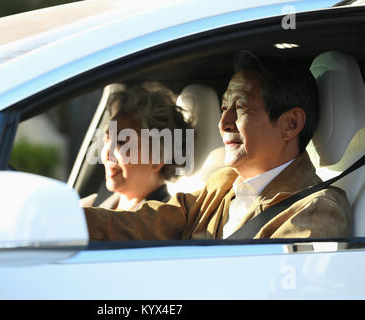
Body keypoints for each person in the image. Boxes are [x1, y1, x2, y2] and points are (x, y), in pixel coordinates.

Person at [83, 51, 352, 240]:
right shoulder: (222, 185)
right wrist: (68, 221)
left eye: (241, 108)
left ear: (291, 124)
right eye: (225, 107)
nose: (224, 122)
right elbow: (147, 223)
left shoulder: (315, 208)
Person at [95, 85, 193, 210]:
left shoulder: (161, 221)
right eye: (107, 140)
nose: (107, 155)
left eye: (121, 142)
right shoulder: (94, 203)